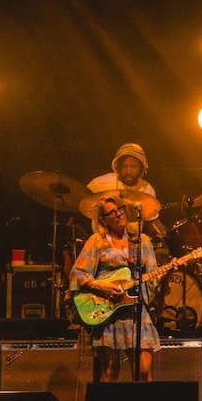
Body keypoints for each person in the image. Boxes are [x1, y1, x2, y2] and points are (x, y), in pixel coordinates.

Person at [69, 195, 169, 382]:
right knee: (109, 372)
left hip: (136, 309)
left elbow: (152, 278)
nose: (118, 214)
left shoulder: (142, 240)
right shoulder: (97, 241)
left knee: (144, 371)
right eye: (111, 212)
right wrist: (101, 286)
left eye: (120, 209)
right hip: (108, 311)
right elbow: (77, 274)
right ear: (103, 219)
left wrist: (165, 274)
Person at [87, 142, 166, 236]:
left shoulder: (147, 189)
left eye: (133, 167)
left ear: (142, 168)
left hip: (133, 243)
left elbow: (152, 218)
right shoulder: (99, 184)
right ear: (118, 167)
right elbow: (82, 200)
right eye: (124, 166)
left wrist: (161, 230)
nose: (128, 171)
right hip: (102, 242)